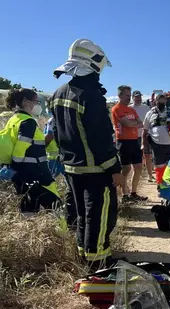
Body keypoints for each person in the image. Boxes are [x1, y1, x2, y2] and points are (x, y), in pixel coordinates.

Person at [50, 38, 124, 269]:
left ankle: (84, 256)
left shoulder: (59, 93)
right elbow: (100, 139)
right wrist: (115, 169)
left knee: (81, 214)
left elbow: (57, 131)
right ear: (94, 63)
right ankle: (98, 263)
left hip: (71, 168)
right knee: (100, 216)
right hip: (96, 169)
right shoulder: (90, 96)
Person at [3, 88, 61, 213]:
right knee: (54, 206)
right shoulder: (28, 122)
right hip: (34, 173)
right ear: (26, 101)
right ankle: (61, 231)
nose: (38, 105)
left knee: (29, 206)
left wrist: (14, 170)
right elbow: (20, 148)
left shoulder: (14, 119)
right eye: (36, 101)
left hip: (22, 174)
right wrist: (16, 166)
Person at [111, 85, 146, 202]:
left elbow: (140, 123)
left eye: (129, 96)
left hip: (134, 140)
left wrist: (132, 123)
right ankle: (124, 194)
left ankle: (133, 193)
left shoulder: (132, 110)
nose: (129, 98)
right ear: (120, 96)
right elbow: (126, 123)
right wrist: (133, 123)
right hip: (123, 141)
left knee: (139, 167)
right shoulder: (117, 108)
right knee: (126, 169)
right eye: (126, 95)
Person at [143, 92, 170, 184]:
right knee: (159, 167)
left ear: (166, 101)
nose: (161, 103)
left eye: (163, 101)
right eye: (159, 101)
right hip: (157, 146)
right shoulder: (150, 113)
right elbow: (145, 131)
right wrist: (144, 145)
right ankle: (161, 187)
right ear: (155, 102)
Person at [44, 116, 77, 228]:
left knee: (66, 188)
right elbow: (49, 137)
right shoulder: (55, 119)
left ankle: (67, 214)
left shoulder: (54, 118)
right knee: (69, 187)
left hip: (59, 158)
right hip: (57, 159)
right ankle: (65, 214)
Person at [130, 90, 153, 182]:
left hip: (145, 135)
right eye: (136, 97)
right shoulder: (129, 108)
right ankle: (136, 176)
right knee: (136, 159)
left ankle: (150, 176)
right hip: (133, 137)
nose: (138, 98)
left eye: (139, 97)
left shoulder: (146, 107)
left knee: (148, 156)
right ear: (133, 98)